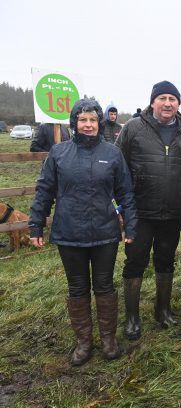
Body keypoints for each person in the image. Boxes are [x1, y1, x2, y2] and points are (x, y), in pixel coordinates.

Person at [28, 98, 136, 366]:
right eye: (83, 119)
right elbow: (45, 190)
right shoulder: (59, 153)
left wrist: (130, 224)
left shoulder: (112, 153)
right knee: (77, 288)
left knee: (104, 285)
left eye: (93, 120)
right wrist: (36, 223)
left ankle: (108, 339)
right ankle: (84, 342)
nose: (88, 125)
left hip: (105, 233)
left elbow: (126, 193)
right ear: (74, 123)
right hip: (69, 233)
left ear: (100, 122)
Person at [116, 81, 181, 341]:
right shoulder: (133, 129)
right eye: (162, 98)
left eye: (172, 99)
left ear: (178, 104)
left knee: (166, 260)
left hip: (171, 210)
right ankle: (132, 317)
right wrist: (119, 206)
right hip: (139, 212)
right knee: (136, 261)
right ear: (153, 102)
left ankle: (162, 310)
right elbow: (117, 169)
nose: (167, 103)